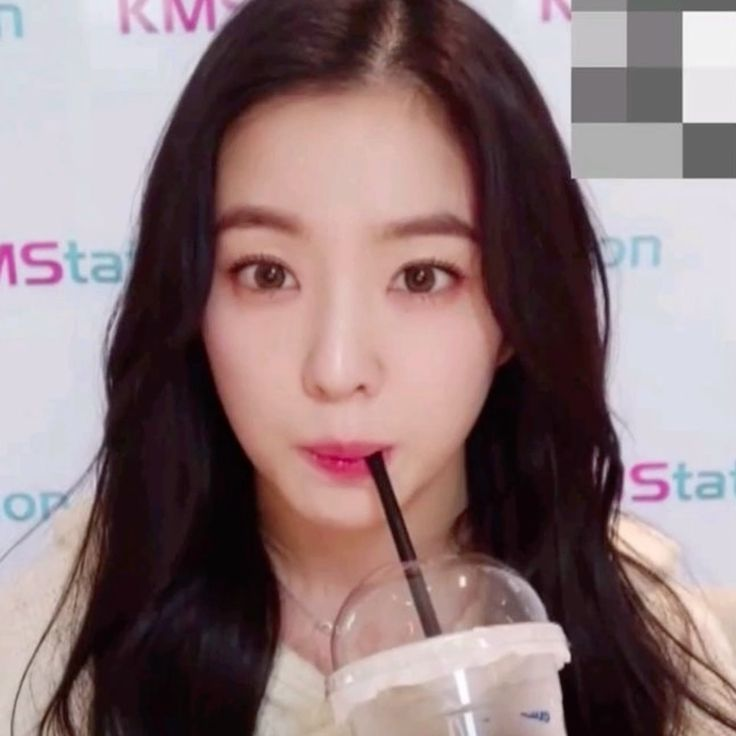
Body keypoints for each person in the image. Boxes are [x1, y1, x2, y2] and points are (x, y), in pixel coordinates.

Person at [1, 0, 735, 734]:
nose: (336, 368)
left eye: (422, 276)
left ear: (519, 308)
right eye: (266, 273)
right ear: (190, 295)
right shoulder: (58, 634)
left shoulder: (640, 635)